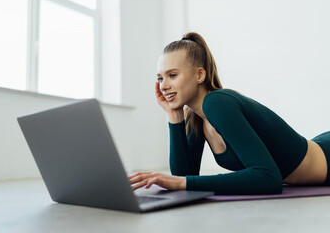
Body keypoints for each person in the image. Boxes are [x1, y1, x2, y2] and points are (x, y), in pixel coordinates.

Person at [128, 32, 330, 195]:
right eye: (160, 78)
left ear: (200, 74)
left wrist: (181, 183)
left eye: (172, 75)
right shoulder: (196, 118)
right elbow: (185, 175)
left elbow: (269, 178)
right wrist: (174, 116)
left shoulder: (218, 103)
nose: (164, 86)